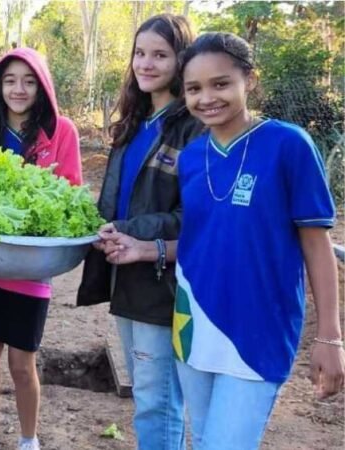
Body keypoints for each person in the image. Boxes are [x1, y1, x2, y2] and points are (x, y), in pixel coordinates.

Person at [100, 32, 345, 450]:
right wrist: (145, 249)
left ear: (249, 80)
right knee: (205, 439)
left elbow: (316, 245)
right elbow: (200, 241)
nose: (207, 98)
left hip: (258, 331)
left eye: (221, 84)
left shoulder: (288, 145)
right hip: (194, 324)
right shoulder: (193, 157)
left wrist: (329, 336)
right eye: (194, 88)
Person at [76, 14, 200, 450]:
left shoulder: (192, 127)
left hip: (160, 278)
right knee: (147, 392)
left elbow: (195, 215)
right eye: (140, 53)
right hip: (125, 270)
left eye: (160, 55)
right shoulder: (136, 120)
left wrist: (129, 231)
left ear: (182, 60)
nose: (145, 64)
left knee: (157, 399)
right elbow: (116, 198)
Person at [0, 47, 82, 450]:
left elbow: (71, 193)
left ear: (42, 86)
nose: (19, 89)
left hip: (30, 265)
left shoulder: (62, 131)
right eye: (9, 81)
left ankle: (29, 440)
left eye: (28, 81)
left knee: (22, 362)